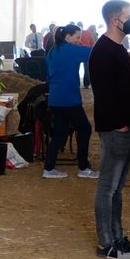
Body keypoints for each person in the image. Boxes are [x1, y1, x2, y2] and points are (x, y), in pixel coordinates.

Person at [90, 0, 130, 259]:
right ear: (115, 20)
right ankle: (107, 243)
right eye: (128, 15)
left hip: (129, 126)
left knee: (117, 187)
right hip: (117, 129)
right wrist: (119, 123)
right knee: (108, 187)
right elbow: (103, 94)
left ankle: (118, 237)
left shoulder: (119, 47)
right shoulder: (102, 50)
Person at [42, 25, 96, 180]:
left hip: (55, 97)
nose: (80, 41)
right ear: (68, 37)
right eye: (77, 37)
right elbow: (95, 52)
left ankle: (49, 168)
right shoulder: (71, 50)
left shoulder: (53, 50)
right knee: (85, 129)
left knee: (59, 133)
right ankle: (84, 167)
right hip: (69, 98)